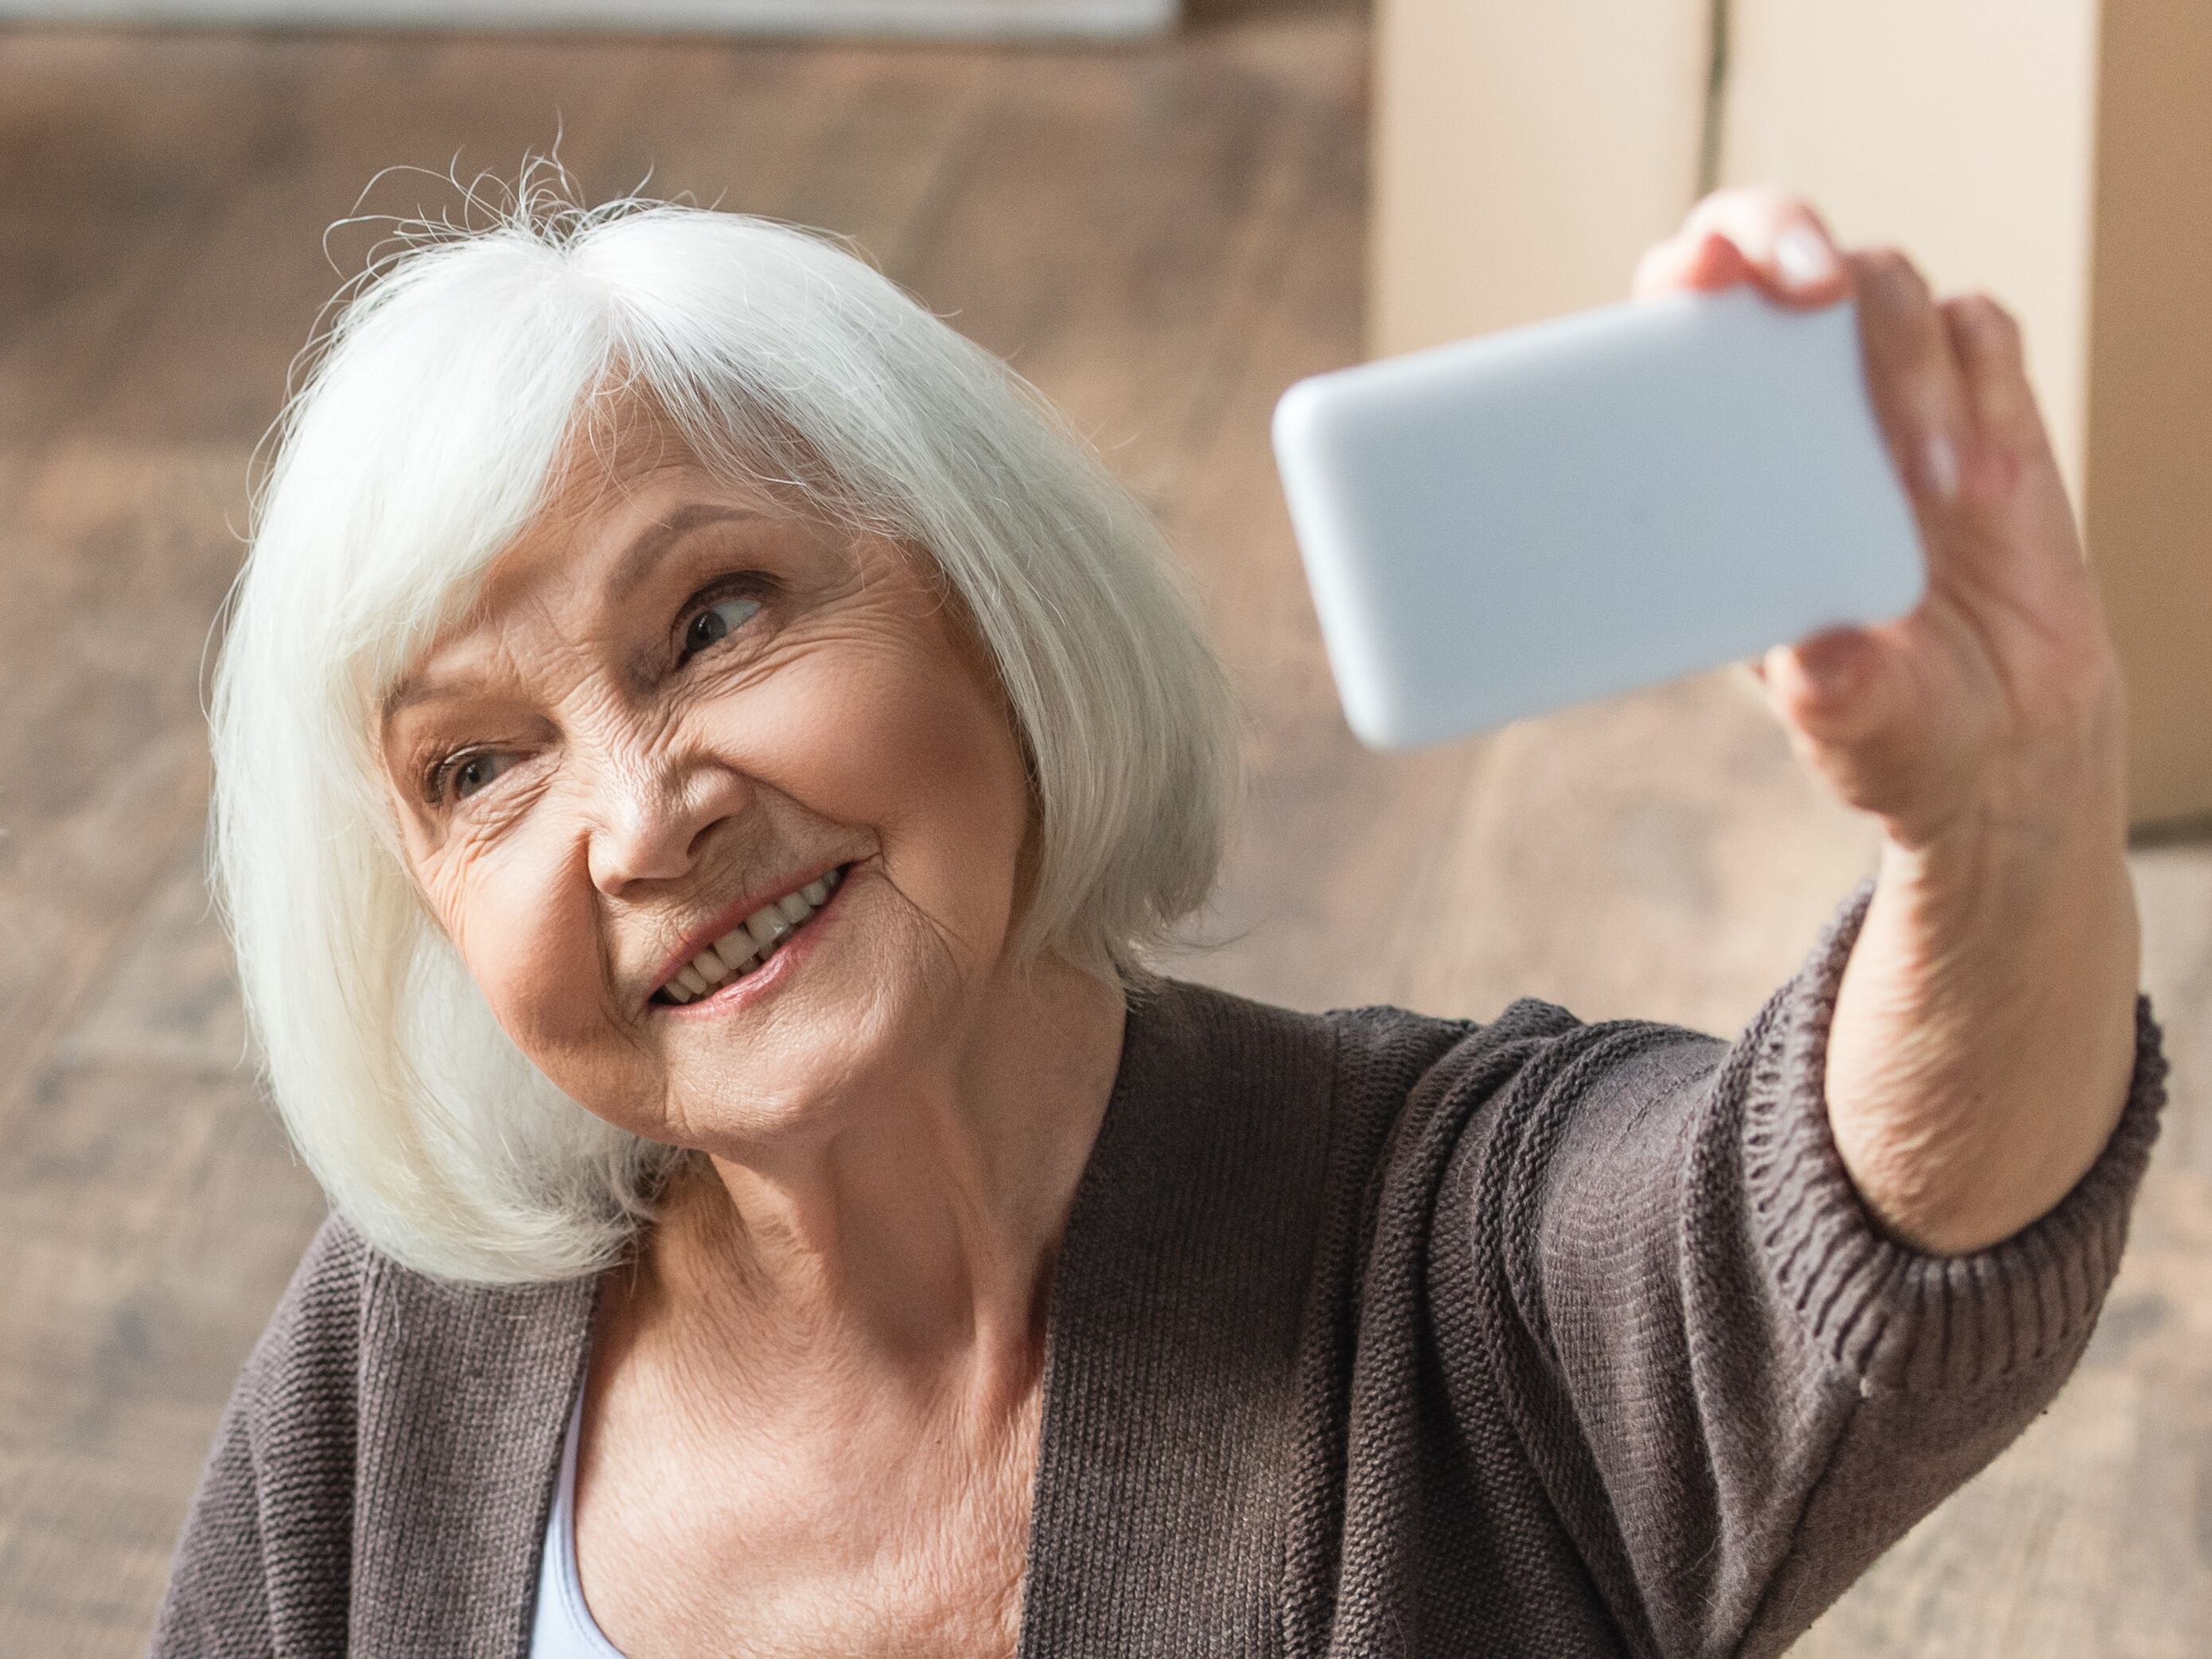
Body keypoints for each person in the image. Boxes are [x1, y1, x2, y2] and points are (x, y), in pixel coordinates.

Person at [150, 179, 2163, 1659]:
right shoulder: (398, 1368)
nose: (638, 816)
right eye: (476, 768)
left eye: (715, 619)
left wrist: (2003, 811)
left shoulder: (1442, 1259)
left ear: (989, 606)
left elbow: (1876, 1223)